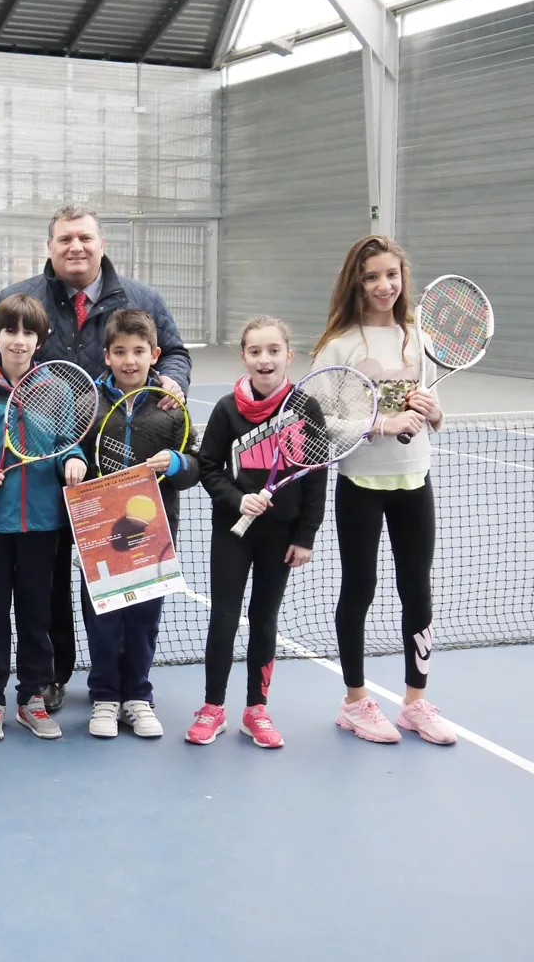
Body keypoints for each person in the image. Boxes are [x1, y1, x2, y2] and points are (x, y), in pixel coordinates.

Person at [0, 205, 193, 712]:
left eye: (84, 237)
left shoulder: (141, 299)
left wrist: (172, 380)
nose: (75, 247)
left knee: (114, 576)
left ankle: (121, 686)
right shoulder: (21, 298)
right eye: (65, 239)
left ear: (101, 242)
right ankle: (53, 675)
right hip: (44, 465)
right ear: (50, 246)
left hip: (110, 469)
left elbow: (174, 351)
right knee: (48, 583)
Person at [312, 236, 455, 745]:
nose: (383, 285)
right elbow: (317, 420)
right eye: (372, 276)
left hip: (414, 480)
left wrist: (436, 414)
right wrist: (377, 423)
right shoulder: (340, 345)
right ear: (357, 280)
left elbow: (434, 405)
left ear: (403, 277)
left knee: (417, 589)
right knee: (361, 588)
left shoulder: (420, 338)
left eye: (391, 275)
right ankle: (355, 701)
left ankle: (415, 702)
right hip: (361, 485)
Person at [0, 294, 87, 743]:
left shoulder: (56, 389)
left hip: (43, 524)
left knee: (37, 615)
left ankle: (32, 697)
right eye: (10, 331)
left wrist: (74, 460)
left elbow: (68, 441)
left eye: (28, 332)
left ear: (39, 339)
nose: (19, 340)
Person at [191, 316, 326, 748]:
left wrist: (306, 535)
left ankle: (256, 708)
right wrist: (236, 500)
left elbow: (316, 476)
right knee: (224, 618)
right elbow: (208, 468)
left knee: (264, 618)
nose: (264, 360)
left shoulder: (306, 409)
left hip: (281, 537)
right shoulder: (227, 410)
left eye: (273, 351)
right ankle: (213, 707)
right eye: (255, 351)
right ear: (244, 357)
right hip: (233, 531)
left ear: (289, 354)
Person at [81, 309, 199, 739]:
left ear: (155, 354)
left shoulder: (171, 408)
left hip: (154, 535)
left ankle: (138, 697)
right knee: (103, 620)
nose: (130, 360)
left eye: (138, 351)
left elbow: (196, 466)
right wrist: (73, 463)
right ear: (106, 356)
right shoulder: (88, 403)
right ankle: (105, 698)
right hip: (99, 539)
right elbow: (69, 454)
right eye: (120, 352)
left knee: (144, 620)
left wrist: (177, 461)